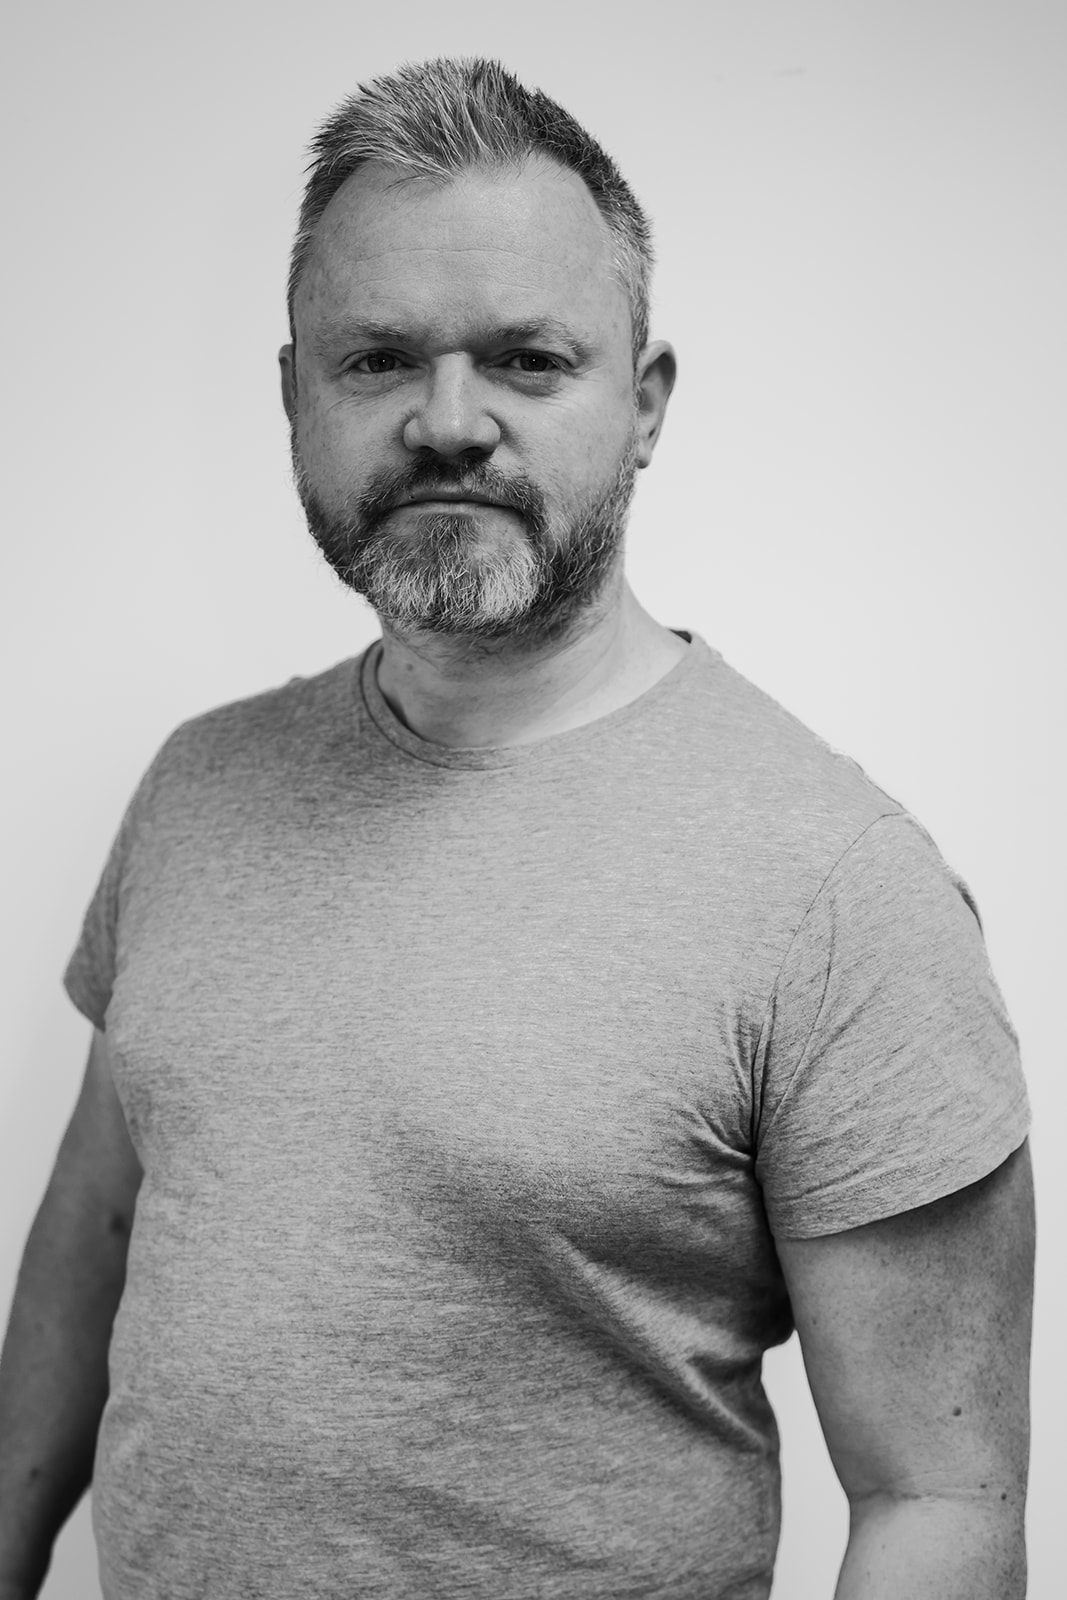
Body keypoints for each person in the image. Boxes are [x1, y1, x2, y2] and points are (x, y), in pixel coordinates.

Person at [0, 56, 1034, 1600]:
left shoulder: (834, 887)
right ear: (292, 394)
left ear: (645, 406)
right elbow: (97, 1219)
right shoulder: (197, 785)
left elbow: (939, 1493)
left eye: (529, 361)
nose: (447, 422)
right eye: (377, 361)